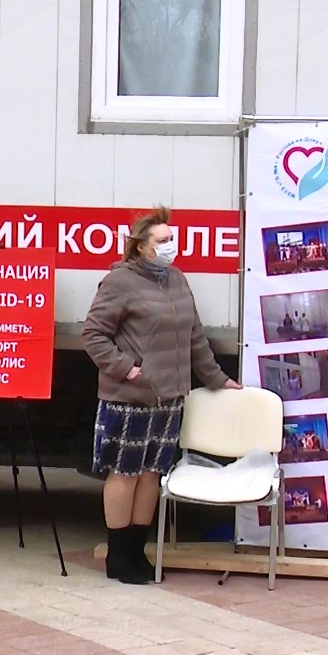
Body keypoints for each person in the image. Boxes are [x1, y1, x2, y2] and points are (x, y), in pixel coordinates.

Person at [82, 206, 240, 585]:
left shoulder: (177, 280)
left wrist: (218, 379)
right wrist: (127, 367)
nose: (171, 247)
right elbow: (93, 334)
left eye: (173, 239)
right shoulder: (119, 282)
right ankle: (118, 557)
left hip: (169, 397)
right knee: (125, 473)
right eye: (163, 241)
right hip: (129, 397)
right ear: (141, 247)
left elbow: (194, 337)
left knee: (151, 473)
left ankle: (137, 552)